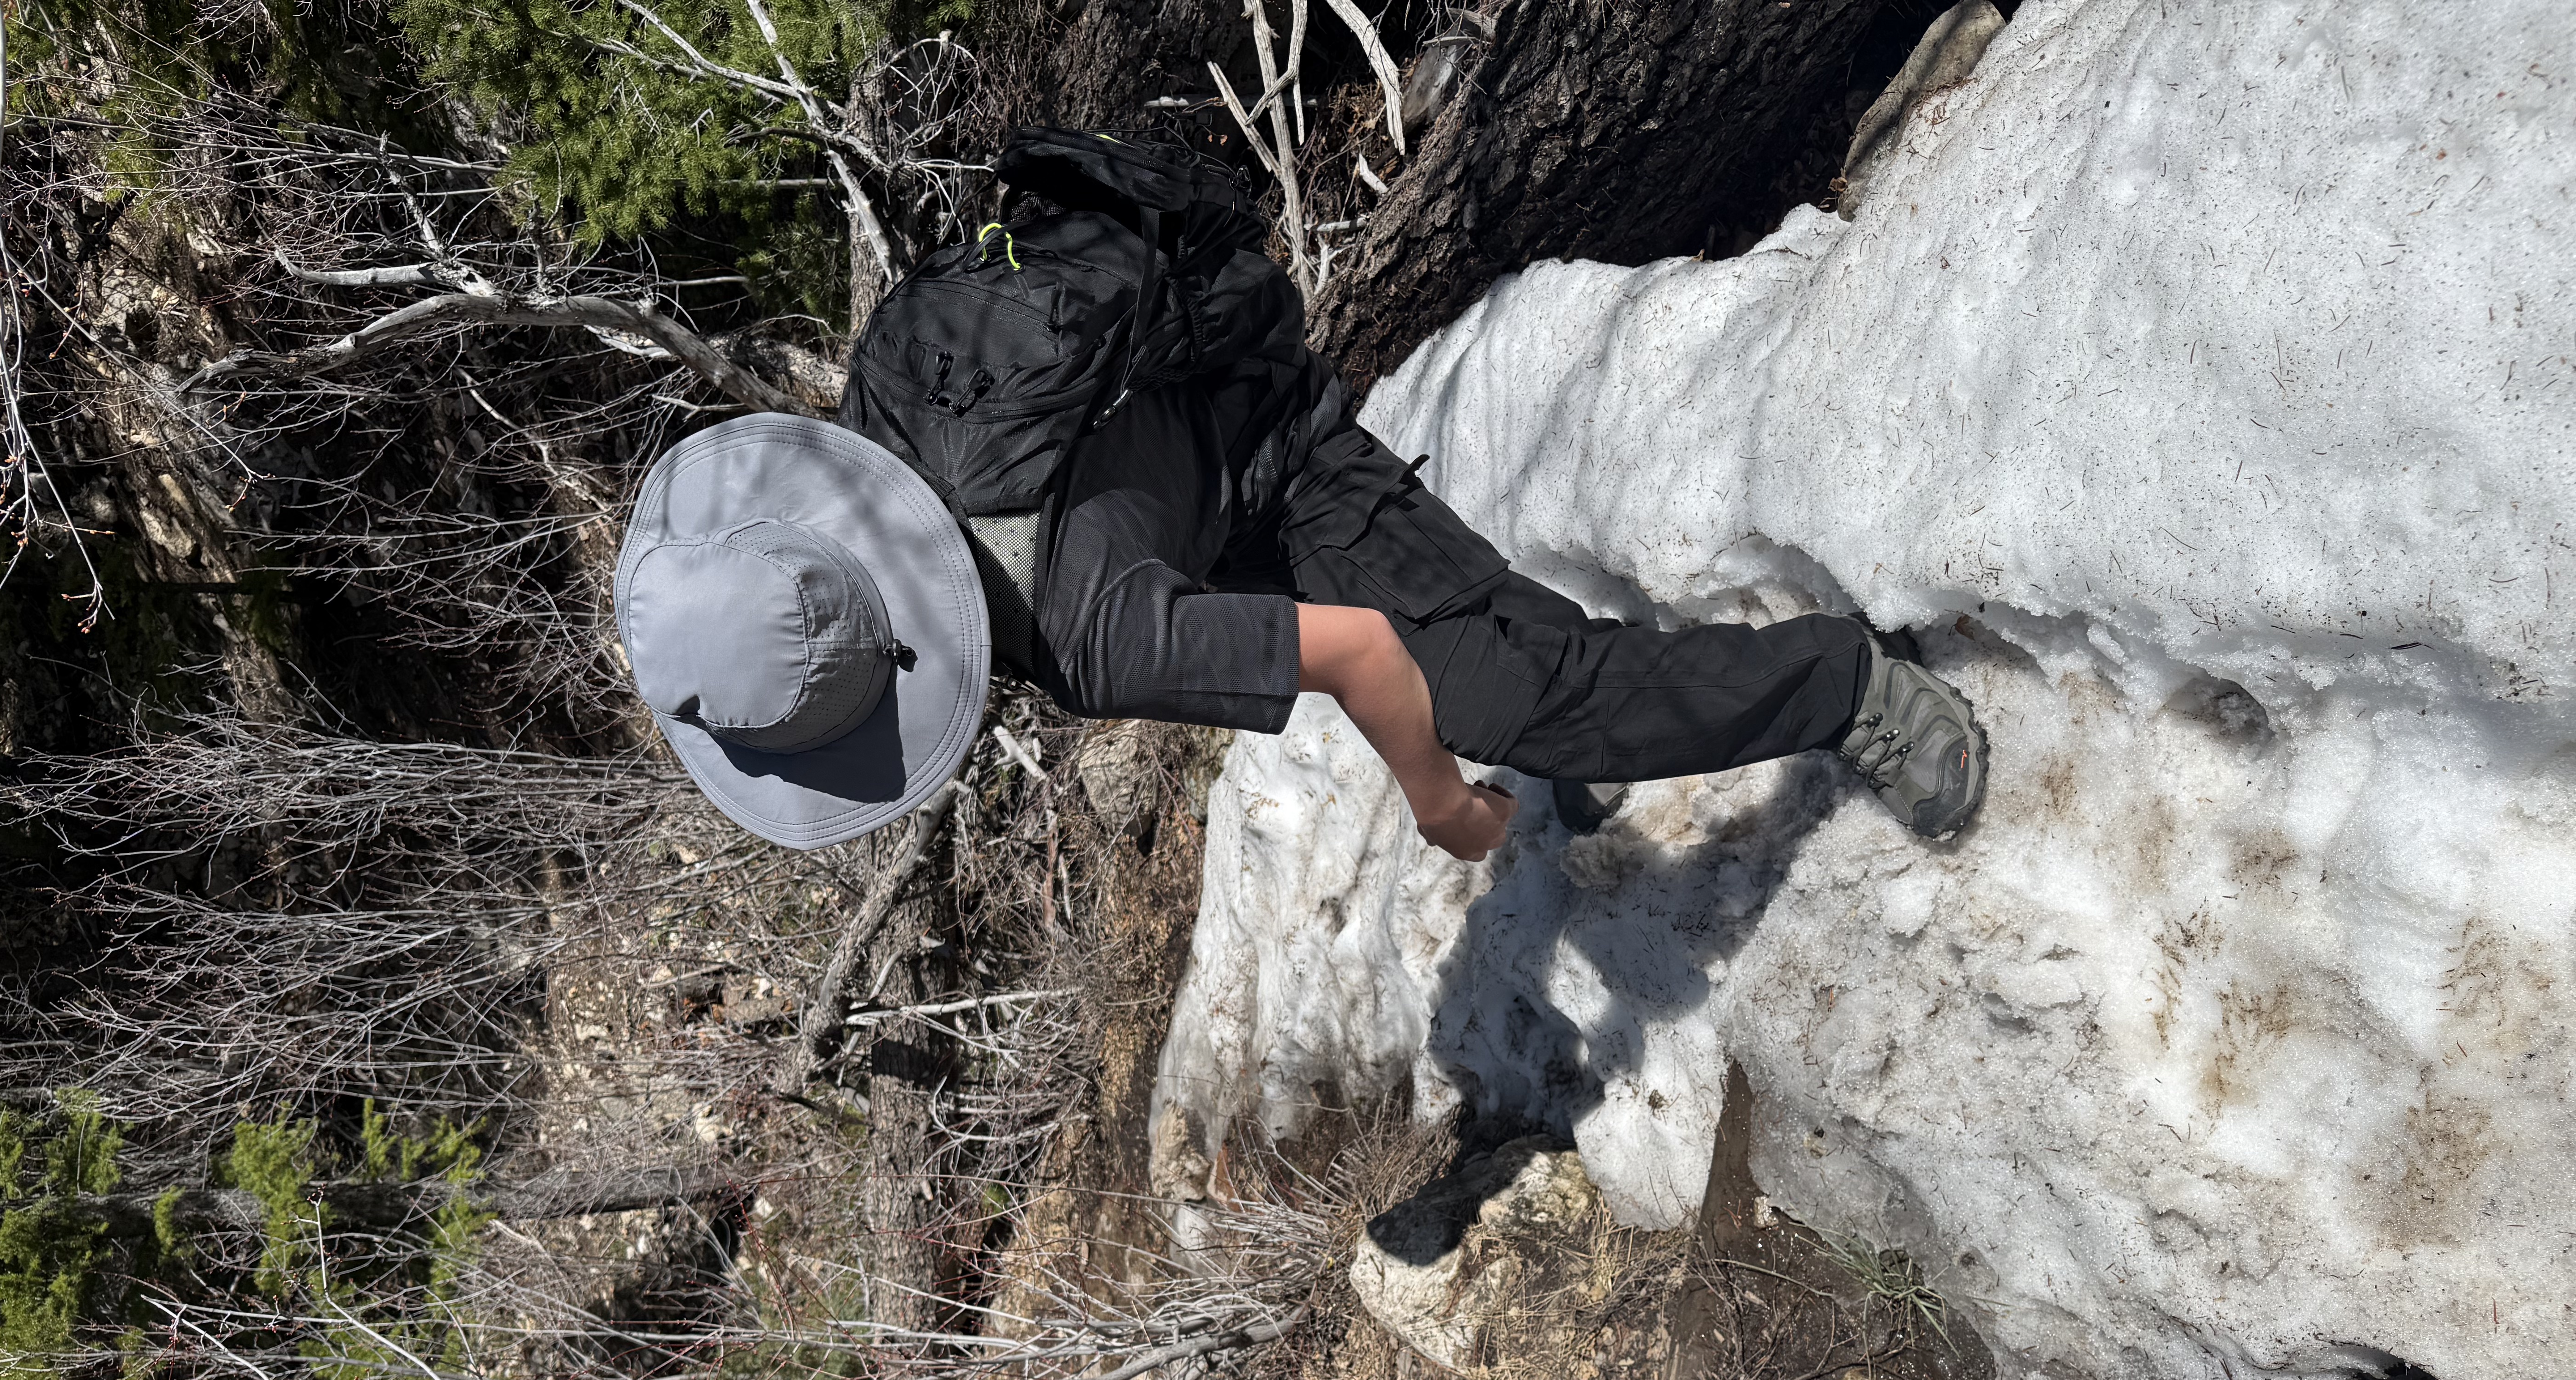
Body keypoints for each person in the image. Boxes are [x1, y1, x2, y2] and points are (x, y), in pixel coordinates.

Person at [612, 129, 1988, 857]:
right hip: (1181, 462)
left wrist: (1442, 799)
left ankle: (1851, 689)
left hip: (1273, 453)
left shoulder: (1100, 643)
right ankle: (1565, 677)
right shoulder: (883, 408)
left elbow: (1360, 653)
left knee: (1522, 704)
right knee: (1491, 660)